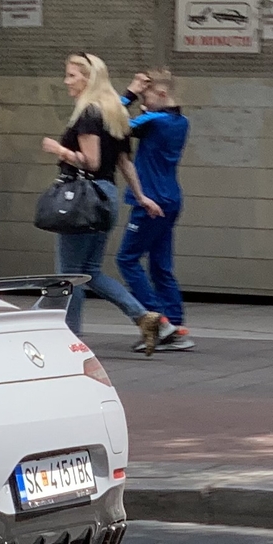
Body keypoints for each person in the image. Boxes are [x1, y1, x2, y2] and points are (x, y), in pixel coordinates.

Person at [40, 51, 166, 351]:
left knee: (69, 277)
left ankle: (70, 340)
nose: (66, 80)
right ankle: (143, 316)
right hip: (105, 197)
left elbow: (92, 161)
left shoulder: (88, 114)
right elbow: (123, 162)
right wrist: (140, 196)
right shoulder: (114, 113)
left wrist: (59, 150)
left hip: (82, 197)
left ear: (87, 79)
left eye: (71, 75)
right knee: (91, 271)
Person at [117, 68, 192, 350]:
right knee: (161, 265)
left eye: (146, 97)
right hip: (171, 197)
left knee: (127, 259)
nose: (143, 104)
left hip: (149, 200)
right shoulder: (181, 121)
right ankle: (175, 323)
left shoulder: (155, 120)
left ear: (161, 94)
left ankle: (159, 322)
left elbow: (112, 123)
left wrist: (130, 93)